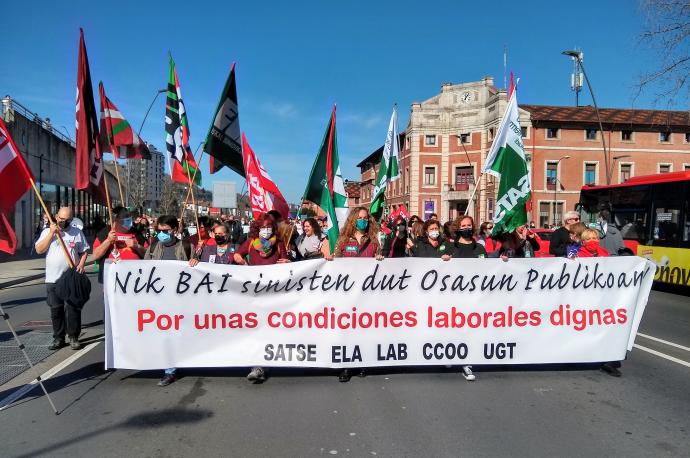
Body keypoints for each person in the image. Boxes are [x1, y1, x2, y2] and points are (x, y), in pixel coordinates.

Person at [233, 214, 290, 384]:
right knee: (255, 328)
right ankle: (257, 366)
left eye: (269, 228)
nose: (266, 231)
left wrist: (286, 263)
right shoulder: (251, 243)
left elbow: (287, 261)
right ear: (257, 229)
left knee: (269, 329)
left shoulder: (279, 244)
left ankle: (263, 364)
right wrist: (242, 262)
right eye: (263, 228)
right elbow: (236, 256)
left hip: (273, 293)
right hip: (254, 293)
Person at [333, 207, 383, 382]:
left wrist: (379, 259)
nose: (364, 221)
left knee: (364, 329)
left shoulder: (374, 241)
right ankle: (346, 366)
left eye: (366, 218)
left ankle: (362, 361)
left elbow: (380, 263)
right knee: (347, 330)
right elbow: (335, 264)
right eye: (360, 218)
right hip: (347, 294)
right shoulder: (343, 240)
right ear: (353, 220)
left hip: (367, 293)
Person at [143, 215, 193, 387]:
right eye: (159, 231)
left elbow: (198, 273)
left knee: (181, 334)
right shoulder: (154, 247)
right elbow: (143, 270)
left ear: (174, 230)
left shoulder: (186, 247)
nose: (162, 234)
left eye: (165, 231)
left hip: (181, 300)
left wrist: (195, 262)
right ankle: (169, 370)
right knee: (166, 335)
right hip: (160, 300)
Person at [34, 207, 90, 350]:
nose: (63, 222)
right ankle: (58, 338)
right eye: (61, 218)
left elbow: (84, 251)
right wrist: (51, 234)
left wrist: (82, 264)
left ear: (71, 219)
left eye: (67, 220)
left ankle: (73, 337)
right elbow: (39, 249)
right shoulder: (48, 231)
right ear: (56, 216)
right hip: (53, 278)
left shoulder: (76, 232)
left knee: (73, 309)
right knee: (56, 309)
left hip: (71, 278)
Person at [449, 216, 487, 381]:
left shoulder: (479, 248)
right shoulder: (450, 247)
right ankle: (450, 354)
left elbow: (489, 270)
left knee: (470, 329)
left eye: (469, 225)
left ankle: (467, 363)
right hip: (454, 296)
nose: (466, 228)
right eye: (463, 226)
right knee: (454, 328)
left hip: (474, 297)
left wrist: (502, 262)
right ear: (458, 228)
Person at [92, 206, 146, 284]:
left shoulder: (136, 233)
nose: (129, 218)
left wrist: (137, 246)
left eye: (129, 216)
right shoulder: (104, 234)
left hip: (134, 279)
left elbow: (148, 254)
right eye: (125, 217)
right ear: (116, 220)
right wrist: (108, 241)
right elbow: (95, 256)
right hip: (112, 280)